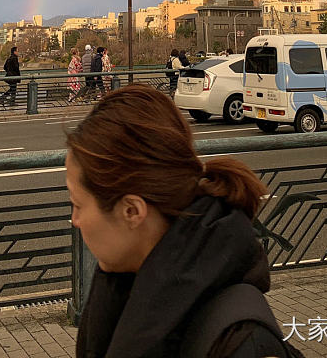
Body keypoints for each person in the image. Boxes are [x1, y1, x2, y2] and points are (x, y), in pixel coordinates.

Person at [66, 86, 303, 358]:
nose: (75, 220)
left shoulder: (241, 343)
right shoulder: (131, 282)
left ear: (132, 211)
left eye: (78, 204)